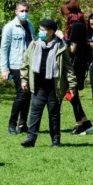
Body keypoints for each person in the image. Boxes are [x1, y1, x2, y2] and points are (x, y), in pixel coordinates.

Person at [19, 18, 78, 147]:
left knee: (54, 114)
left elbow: (68, 68)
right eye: (39, 29)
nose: (40, 32)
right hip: (38, 85)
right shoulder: (34, 44)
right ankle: (30, 139)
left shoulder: (61, 46)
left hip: (54, 86)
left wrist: (72, 85)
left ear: (51, 32)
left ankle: (56, 140)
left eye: (43, 30)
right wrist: (24, 79)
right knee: (34, 112)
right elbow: (25, 62)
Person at [0, 2, 35, 134]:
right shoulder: (10, 27)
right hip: (16, 65)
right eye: (21, 10)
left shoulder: (30, 25)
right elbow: (4, 48)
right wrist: (4, 68)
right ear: (16, 11)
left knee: (28, 95)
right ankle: (11, 124)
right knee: (21, 94)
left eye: (26, 10)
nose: (24, 13)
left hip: (29, 65)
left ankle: (22, 124)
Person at [61, 0, 93, 135]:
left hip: (76, 64)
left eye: (65, 13)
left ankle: (80, 124)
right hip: (79, 63)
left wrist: (61, 38)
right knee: (70, 94)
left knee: (71, 92)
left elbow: (72, 48)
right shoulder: (80, 25)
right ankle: (85, 123)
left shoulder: (75, 26)